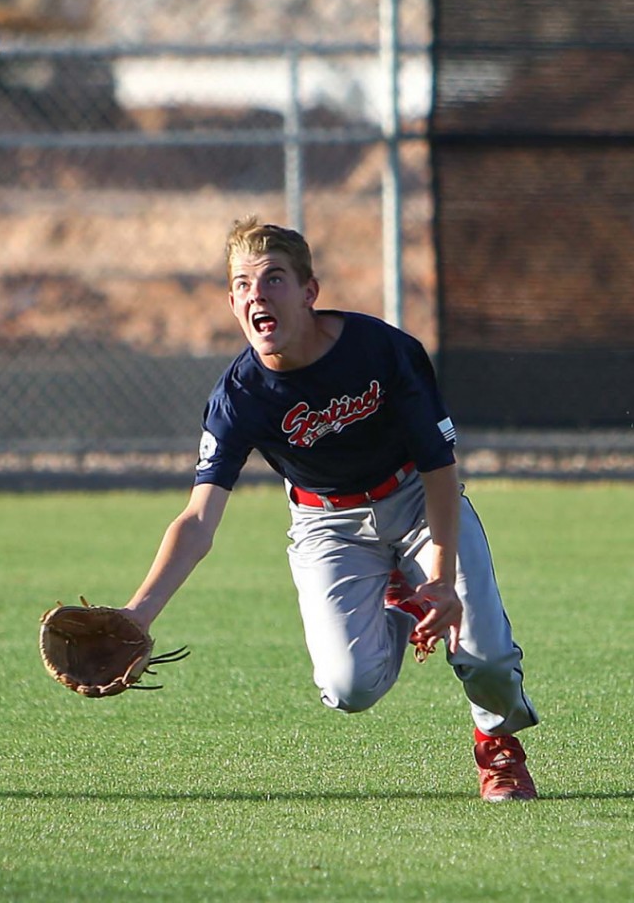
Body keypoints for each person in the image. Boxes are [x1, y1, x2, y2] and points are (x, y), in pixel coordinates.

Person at [120, 216, 539, 802]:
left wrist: (441, 578)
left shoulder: (382, 351)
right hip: (328, 523)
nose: (256, 295)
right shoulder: (238, 398)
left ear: (310, 292)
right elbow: (197, 519)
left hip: (416, 498)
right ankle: (397, 599)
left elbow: (440, 466)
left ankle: (498, 747)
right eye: (241, 284)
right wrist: (139, 614)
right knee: (348, 688)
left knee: (485, 654)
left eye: (273, 280)